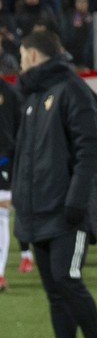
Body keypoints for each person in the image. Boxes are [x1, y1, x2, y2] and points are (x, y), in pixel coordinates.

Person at [12, 31, 97, 338]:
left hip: (66, 212)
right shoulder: (33, 96)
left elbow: (89, 151)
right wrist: (20, 205)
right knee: (54, 289)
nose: (20, 63)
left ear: (34, 55)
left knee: (68, 281)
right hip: (36, 212)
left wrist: (75, 200)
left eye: (23, 56)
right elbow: (25, 157)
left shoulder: (74, 90)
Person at [0, 76, 20, 291]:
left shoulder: (11, 93)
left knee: (1, 214)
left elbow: (19, 128)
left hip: (3, 158)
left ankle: (0, 273)